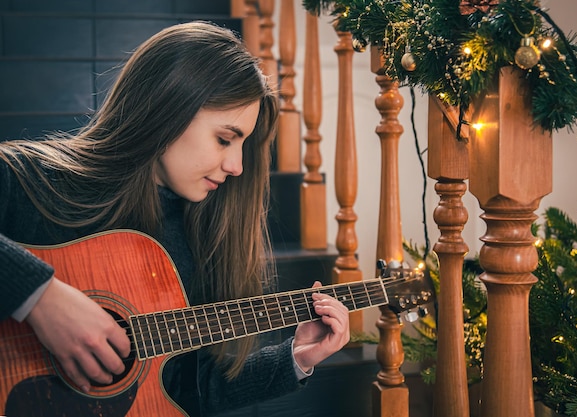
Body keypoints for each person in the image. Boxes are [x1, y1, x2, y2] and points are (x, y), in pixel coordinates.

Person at [0, 21, 350, 416]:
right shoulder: (26, 178)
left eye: (243, 146)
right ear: (167, 106)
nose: (237, 165)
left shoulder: (187, 238)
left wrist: (296, 358)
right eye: (224, 139)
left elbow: (184, 387)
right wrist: (41, 299)